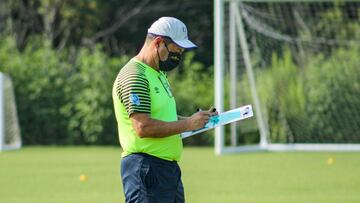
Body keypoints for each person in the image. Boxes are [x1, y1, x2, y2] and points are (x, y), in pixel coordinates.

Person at [112, 17, 218, 203]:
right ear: (158, 42)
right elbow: (143, 127)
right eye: (175, 51)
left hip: (166, 169)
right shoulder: (135, 76)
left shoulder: (157, 74)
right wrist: (187, 124)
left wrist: (196, 121)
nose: (177, 57)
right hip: (146, 169)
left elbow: (164, 116)